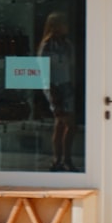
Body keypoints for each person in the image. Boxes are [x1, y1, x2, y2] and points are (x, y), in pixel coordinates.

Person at [38, 11, 77, 172]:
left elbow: (72, 66)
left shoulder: (67, 45)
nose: (66, 27)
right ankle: (63, 158)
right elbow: (43, 69)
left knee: (61, 124)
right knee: (68, 123)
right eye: (63, 24)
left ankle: (59, 159)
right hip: (53, 86)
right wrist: (51, 92)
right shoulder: (47, 45)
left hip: (66, 85)